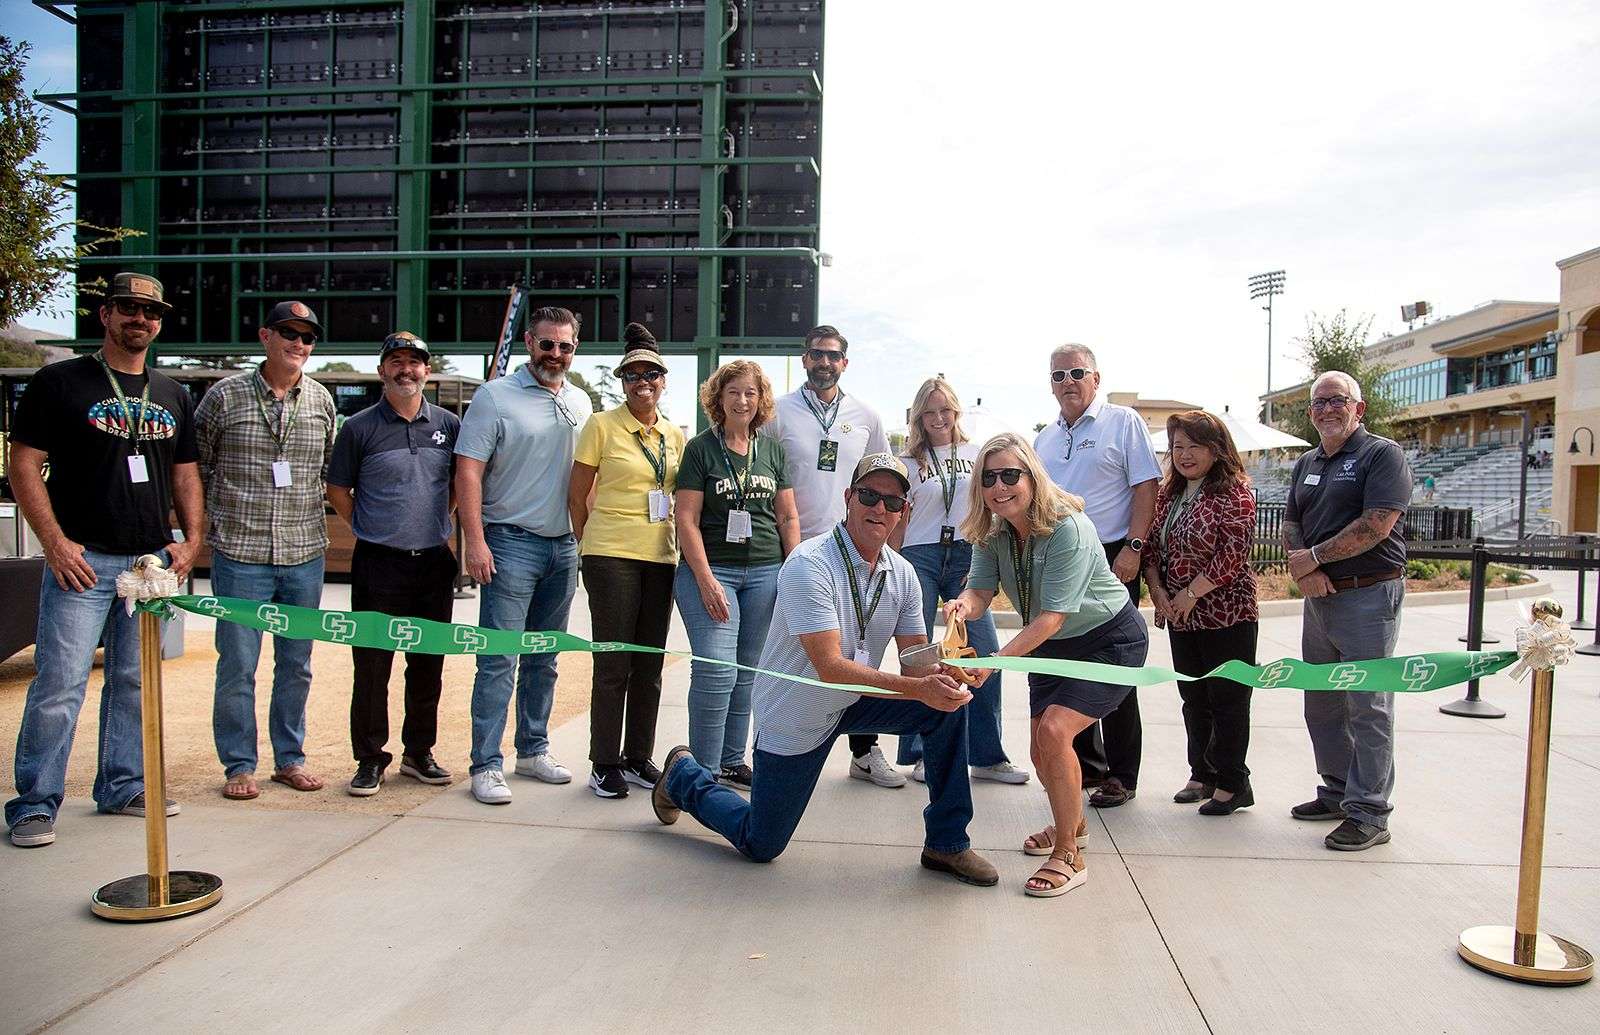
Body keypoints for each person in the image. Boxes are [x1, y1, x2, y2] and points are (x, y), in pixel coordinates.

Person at [651, 454, 998, 887]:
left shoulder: (904, 574)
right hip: (797, 710)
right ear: (849, 498)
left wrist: (947, 673)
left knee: (947, 707)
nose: (880, 509)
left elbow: (914, 663)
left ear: (904, 513)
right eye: (869, 495)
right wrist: (921, 688)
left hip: (852, 700)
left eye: (892, 502)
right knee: (762, 843)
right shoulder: (808, 563)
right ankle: (683, 776)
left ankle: (947, 845)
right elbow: (829, 667)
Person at [6, 274, 202, 848]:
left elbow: (185, 473)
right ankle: (34, 804)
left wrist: (190, 542)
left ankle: (122, 785)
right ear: (106, 315)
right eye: (129, 308)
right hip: (83, 562)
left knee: (133, 682)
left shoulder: (170, 393)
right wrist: (55, 543)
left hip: (148, 565)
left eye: (152, 311)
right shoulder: (60, 381)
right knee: (60, 684)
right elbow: (24, 464)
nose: (141, 319)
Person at [945, 433, 1149, 897]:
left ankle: (1069, 856)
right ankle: (1071, 827)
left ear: (1032, 476)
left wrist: (993, 663)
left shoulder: (1067, 527)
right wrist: (961, 605)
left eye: (1010, 475)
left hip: (1107, 640)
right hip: (1053, 643)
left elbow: (1052, 618)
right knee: (1041, 747)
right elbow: (979, 592)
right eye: (989, 477)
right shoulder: (993, 530)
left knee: (1056, 732)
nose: (1000, 486)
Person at [197, 299, 337, 800]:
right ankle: (239, 765)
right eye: (288, 333)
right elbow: (200, 467)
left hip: (304, 553)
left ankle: (290, 759)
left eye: (307, 337)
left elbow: (325, 471)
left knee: (296, 664)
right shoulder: (224, 397)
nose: (298, 344)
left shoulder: (321, 401)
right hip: (241, 553)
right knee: (238, 664)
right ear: (265, 336)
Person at [455, 306, 593, 805]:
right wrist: (475, 540)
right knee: (498, 660)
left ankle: (533, 750)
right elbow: (468, 471)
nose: (555, 354)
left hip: (564, 546)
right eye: (547, 344)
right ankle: (485, 763)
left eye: (566, 346)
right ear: (530, 343)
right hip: (510, 542)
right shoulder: (495, 397)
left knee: (544, 658)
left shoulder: (581, 401)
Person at [761, 325, 900, 787]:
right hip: (796, 554)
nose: (825, 363)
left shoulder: (865, 415)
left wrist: (885, 551)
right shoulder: (777, 412)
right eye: (817, 355)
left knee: (864, 651)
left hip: (854, 549)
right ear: (805, 359)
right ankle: (772, 742)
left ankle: (865, 751)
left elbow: (884, 484)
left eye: (834, 356)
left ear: (845, 362)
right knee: (792, 656)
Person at [325, 331, 460, 797]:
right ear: (382, 370)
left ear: (427, 370)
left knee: (428, 664)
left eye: (415, 362)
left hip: (434, 563)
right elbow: (338, 490)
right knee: (372, 666)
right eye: (397, 361)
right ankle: (369, 758)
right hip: (378, 563)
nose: (407, 370)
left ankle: (418, 752)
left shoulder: (448, 424)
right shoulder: (359, 427)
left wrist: (442, 518)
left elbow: (460, 485)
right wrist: (368, 526)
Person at [1284, 371, 1411, 851]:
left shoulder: (1382, 456)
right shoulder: (1307, 463)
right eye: (1318, 404)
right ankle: (1337, 791)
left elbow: (1377, 525)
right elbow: (1293, 521)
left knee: (1368, 707)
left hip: (1368, 595)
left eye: (1337, 401)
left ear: (1359, 408)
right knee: (1321, 701)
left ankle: (1370, 813)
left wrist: (1315, 559)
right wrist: (1305, 571)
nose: (1327, 410)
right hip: (1318, 597)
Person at [1033, 343, 1160, 809]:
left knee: (1113, 665)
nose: (1067, 382)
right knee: (1068, 659)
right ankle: (1086, 765)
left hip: (1111, 555)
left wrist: (1134, 547)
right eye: (1058, 375)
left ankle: (1121, 775)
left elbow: (1146, 487)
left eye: (1076, 372)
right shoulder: (1044, 438)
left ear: (1096, 378)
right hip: (1061, 557)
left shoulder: (1123, 422)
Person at [889, 377, 1026, 786]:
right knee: (920, 654)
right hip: (920, 554)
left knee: (982, 650)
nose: (937, 418)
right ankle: (920, 752)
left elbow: (993, 501)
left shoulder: (975, 453)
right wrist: (891, 561)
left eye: (944, 410)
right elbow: (901, 516)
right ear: (918, 416)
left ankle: (987, 755)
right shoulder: (909, 461)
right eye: (928, 412)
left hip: (967, 553)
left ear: (956, 411)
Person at [568, 324, 685, 799]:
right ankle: (604, 761)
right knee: (614, 662)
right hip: (611, 555)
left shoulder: (674, 435)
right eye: (633, 374)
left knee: (649, 664)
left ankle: (638, 755)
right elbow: (577, 496)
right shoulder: (601, 425)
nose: (643, 382)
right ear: (622, 380)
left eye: (651, 374)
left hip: (660, 555)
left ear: (662, 380)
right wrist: (589, 545)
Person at [673, 360, 801, 788]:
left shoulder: (772, 451)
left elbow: (787, 517)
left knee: (747, 673)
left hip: (765, 571)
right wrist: (706, 579)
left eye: (750, 392)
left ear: (761, 399)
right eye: (733, 392)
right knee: (715, 670)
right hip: (712, 571)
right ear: (718, 398)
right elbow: (686, 520)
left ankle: (731, 759)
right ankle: (702, 771)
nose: (742, 400)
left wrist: (794, 572)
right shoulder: (701, 449)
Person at [1144, 411, 1258, 816]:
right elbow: (1152, 550)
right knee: (1193, 698)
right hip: (1180, 615)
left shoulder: (1236, 493)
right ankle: (1202, 773)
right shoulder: (1169, 494)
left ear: (1216, 449)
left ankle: (1233, 782)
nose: (1185, 455)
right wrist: (1158, 593)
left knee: (1228, 699)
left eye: (1195, 446)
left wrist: (1191, 594)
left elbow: (1233, 555)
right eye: (1178, 447)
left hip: (1228, 615)